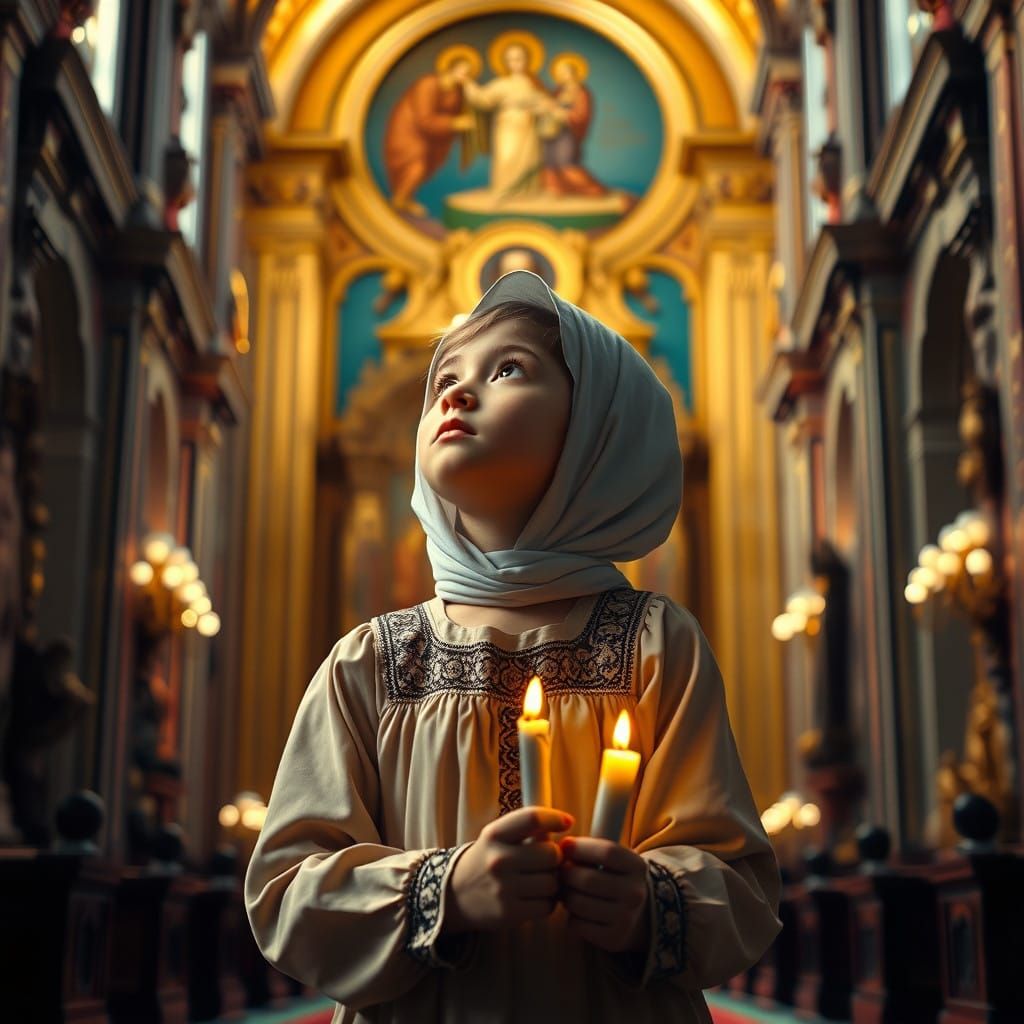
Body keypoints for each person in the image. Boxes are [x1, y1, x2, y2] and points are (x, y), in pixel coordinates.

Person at [244, 271, 783, 1022]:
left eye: (507, 370)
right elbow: (285, 894)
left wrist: (648, 903)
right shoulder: (370, 661)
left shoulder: (655, 643)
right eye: (445, 381)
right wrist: (447, 891)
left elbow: (741, 884)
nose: (456, 395)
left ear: (599, 429)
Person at [383, 48, 479, 219]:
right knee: (416, 166)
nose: (465, 76)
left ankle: (405, 199)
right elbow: (424, 120)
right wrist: (456, 123)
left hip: (433, 138)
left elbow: (459, 114)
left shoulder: (457, 92)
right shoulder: (428, 84)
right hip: (409, 131)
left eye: (469, 73)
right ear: (450, 68)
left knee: (425, 167)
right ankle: (399, 200)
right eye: (462, 71)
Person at [461, 40, 549, 198]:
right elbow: (483, 99)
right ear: (506, 62)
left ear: (527, 60)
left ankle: (525, 194)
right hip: (508, 126)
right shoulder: (502, 84)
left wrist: (540, 109)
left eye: (519, 58)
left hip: (528, 128)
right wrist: (467, 82)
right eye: (511, 59)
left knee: (528, 162)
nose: (515, 63)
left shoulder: (533, 83)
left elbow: (545, 104)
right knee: (506, 158)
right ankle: (505, 192)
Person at [538, 53, 607, 197]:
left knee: (566, 162)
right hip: (552, 133)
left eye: (565, 72)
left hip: (568, 134)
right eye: (559, 73)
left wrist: (561, 114)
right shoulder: (558, 91)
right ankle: (555, 190)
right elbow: (550, 108)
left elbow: (582, 115)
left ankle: (592, 189)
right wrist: (546, 108)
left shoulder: (581, 92)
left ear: (574, 73)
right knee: (549, 162)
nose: (562, 75)